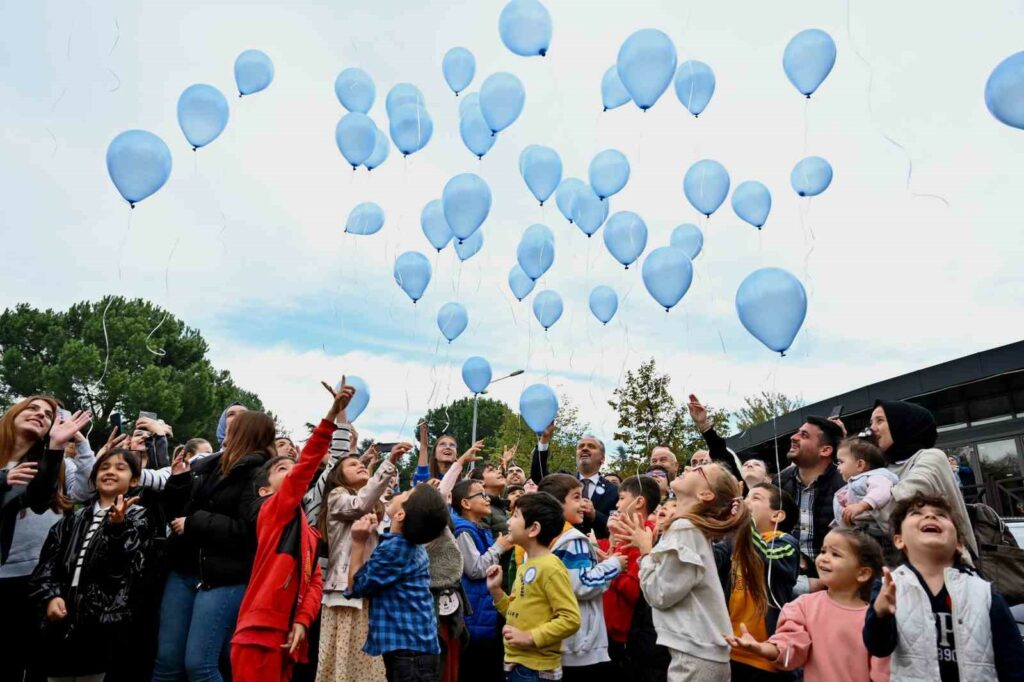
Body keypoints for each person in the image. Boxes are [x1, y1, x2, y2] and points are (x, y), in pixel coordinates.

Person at [232, 381, 357, 682]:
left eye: (292, 467)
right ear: (264, 490)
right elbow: (306, 468)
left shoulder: (310, 533)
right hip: (258, 633)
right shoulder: (272, 513)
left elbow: (315, 581)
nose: (292, 473)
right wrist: (330, 418)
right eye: (282, 470)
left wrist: (302, 620)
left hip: (289, 636)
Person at [154, 410, 276, 682]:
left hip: (223, 577)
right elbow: (177, 516)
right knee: (167, 664)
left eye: (236, 420)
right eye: (227, 417)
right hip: (184, 570)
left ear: (249, 431)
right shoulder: (206, 466)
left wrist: (196, 522)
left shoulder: (261, 474)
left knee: (201, 666)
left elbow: (250, 532)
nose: (227, 423)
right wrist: (178, 483)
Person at [615, 463, 761, 681]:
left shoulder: (685, 528)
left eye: (700, 470)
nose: (691, 467)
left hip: (697, 658)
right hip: (702, 656)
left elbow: (659, 594)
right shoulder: (689, 528)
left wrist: (646, 551)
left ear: (705, 494)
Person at [863, 493, 1024, 680]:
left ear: (959, 544)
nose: (930, 516)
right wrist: (880, 614)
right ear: (899, 540)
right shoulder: (888, 588)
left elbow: (1013, 660)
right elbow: (878, 648)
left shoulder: (984, 593)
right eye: (916, 513)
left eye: (941, 514)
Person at [29, 447, 152, 682]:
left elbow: (127, 568)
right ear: (93, 479)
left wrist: (117, 528)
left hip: (103, 625)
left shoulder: (140, 518)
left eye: (120, 467)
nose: (110, 472)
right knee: (58, 674)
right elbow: (47, 566)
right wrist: (50, 596)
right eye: (104, 467)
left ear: (134, 480)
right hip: (62, 618)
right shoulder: (71, 520)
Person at [0, 397, 89, 681]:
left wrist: (56, 448)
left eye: (48, 414)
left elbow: (38, 500)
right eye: (32, 408)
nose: (40, 414)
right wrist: (3, 479)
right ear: (13, 414)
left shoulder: (44, 464)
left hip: (28, 576)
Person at [727, 528, 890, 682]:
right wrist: (762, 648)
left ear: (862, 573)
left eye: (836, 554)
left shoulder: (875, 619)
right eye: (823, 551)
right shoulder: (804, 606)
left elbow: (881, 672)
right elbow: (790, 648)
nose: (824, 558)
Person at [317, 382, 399, 682]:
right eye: (353, 464)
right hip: (342, 591)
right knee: (343, 660)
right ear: (340, 475)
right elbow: (361, 501)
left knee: (366, 663)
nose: (360, 465)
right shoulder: (338, 497)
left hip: (367, 591)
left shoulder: (374, 503)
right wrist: (388, 464)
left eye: (362, 463)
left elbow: (388, 509)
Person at [345, 484, 450, 682]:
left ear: (400, 515)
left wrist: (358, 542)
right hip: (416, 652)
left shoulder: (396, 548)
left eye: (405, 494)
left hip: (410, 657)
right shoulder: (407, 545)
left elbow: (356, 587)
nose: (399, 493)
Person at [484, 492, 582, 682]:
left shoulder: (550, 567)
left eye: (515, 516)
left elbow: (571, 619)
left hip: (536, 671)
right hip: (518, 666)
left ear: (533, 528)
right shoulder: (527, 564)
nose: (508, 522)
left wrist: (530, 637)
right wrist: (496, 591)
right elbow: (516, 613)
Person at [867, 400, 978, 558]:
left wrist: (864, 505)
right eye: (871, 422)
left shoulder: (931, 457)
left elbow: (899, 505)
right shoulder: (884, 469)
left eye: (880, 420)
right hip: (900, 573)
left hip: (947, 570)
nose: (872, 428)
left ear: (902, 424)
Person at [539, 473, 623, 679]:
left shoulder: (541, 539)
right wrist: (614, 564)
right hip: (578, 644)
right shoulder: (574, 541)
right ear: (557, 505)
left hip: (554, 639)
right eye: (576, 497)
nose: (584, 503)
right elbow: (582, 584)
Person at [718, 483, 800, 681]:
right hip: (730, 650)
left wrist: (744, 522)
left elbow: (763, 554)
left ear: (777, 515)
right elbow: (711, 558)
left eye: (755, 498)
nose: (745, 502)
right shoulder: (733, 542)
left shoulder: (786, 543)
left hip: (765, 656)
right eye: (746, 498)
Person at [598, 475, 664, 681]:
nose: (617, 504)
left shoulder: (641, 536)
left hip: (625, 637)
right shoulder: (625, 534)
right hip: (611, 631)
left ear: (639, 502)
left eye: (622, 498)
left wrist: (611, 569)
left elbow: (635, 591)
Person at [775, 417, 845, 591]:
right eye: (797, 432)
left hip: (836, 586)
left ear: (826, 450)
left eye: (804, 435)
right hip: (787, 581)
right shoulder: (780, 482)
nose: (794, 437)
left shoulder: (845, 485)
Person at [451, 479, 512, 680]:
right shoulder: (463, 530)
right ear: (466, 504)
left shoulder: (477, 528)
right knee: (475, 668)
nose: (487, 499)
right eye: (481, 495)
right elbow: (475, 569)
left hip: (483, 611)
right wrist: (499, 547)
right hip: (474, 614)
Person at [530, 423, 618, 539]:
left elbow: (618, 526)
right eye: (581, 447)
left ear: (602, 458)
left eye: (591, 446)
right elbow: (539, 476)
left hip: (601, 552)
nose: (585, 448)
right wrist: (544, 440)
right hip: (562, 547)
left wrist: (595, 515)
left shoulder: (614, 491)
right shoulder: (563, 479)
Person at [833, 438, 898, 532]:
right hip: (859, 531)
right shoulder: (852, 484)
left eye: (841, 462)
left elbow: (881, 491)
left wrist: (862, 505)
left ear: (860, 465)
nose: (838, 467)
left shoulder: (877, 476)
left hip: (877, 535)